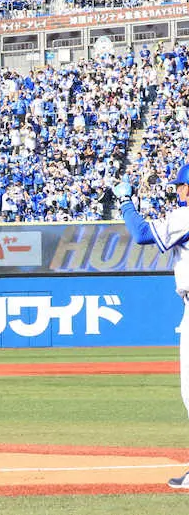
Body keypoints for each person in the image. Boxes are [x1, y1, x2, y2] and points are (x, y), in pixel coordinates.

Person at [113, 167, 189, 489]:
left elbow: (142, 234)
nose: (178, 191)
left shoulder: (185, 216)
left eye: (181, 186)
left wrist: (126, 203)